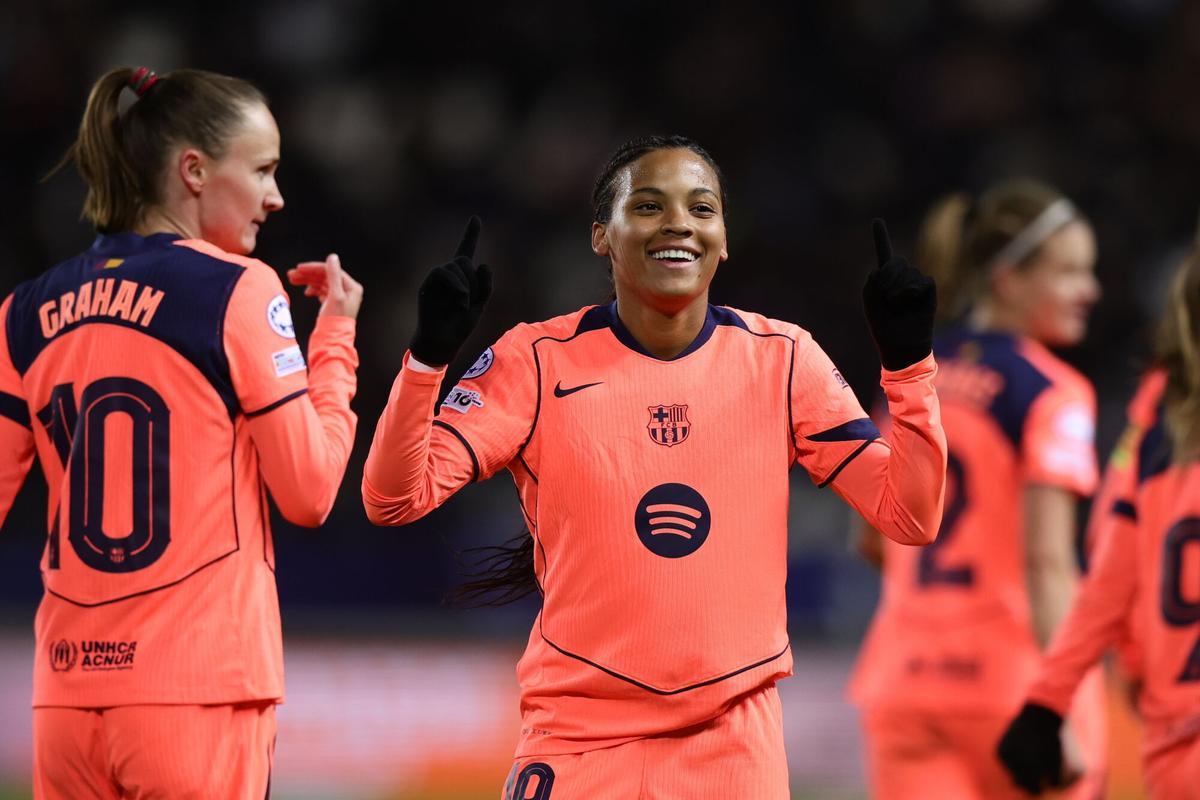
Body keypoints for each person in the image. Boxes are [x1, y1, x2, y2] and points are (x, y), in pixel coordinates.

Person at [362, 134, 947, 798]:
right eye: (647, 206)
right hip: (581, 742)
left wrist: (909, 370)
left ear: (723, 239)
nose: (678, 223)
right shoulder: (534, 361)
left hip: (733, 751)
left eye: (702, 208)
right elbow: (394, 498)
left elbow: (911, 516)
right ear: (600, 236)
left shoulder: (784, 361)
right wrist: (426, 361)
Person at [0, 66, 362, 799]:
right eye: (262, 169)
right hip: (196, 693)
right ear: (193, 171)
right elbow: (311, 491)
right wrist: (336, 342)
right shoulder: (237, 288)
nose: (276, 196)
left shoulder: (21, 313)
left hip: (65, 698)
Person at [847, 179, 1107, 799]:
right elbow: (1048, 564)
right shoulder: (1053, 392)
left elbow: (874, 535)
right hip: (1012, 690)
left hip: (905, 685)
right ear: (1009, 279)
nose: (1089, 290)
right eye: (1070, 272)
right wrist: (1058, 709)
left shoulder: (912, 378)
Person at [998, 243, 1200, 799]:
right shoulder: (1054, 391)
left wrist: (1047, 701)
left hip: (1175, 745)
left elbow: (1107, 568)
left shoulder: (1159, 415)